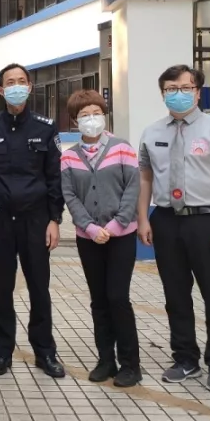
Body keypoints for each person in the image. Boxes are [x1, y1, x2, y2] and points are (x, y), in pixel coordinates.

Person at [138, 64, 210, 393]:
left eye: (186, 88)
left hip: (208, 221)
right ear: (162, 94)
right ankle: (185, 357)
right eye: (171, 89)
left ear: (198, 92)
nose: (179, 94)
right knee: (175, 295)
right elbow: (145, 178)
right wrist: (143, 218)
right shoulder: (151, 132)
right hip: (166, 220)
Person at [0, 63, 66, 379]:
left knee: (39, 288)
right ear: (0, 90)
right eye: (9, 82)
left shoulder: (46, 128)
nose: (16, 87)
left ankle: (45, 352)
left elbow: (54, 177)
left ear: (29, 87)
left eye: (21, 81)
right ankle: (2, 352)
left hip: (36, 220)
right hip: (1, 222)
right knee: (1, 289)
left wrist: (55, 219)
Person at [60, 89, 142, 387]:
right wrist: (90, 228)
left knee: (117, 297)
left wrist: (118, 224)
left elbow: (133, 187)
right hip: (88, 238)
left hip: (122, 236)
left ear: (104, 115)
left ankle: (130, 364)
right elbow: (70, 195)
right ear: (75, 121)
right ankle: (106, 360)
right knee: (99, 300)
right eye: (84, 115)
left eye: (96, 113)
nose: (91, 119)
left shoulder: (122, 148)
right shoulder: (69, 156)